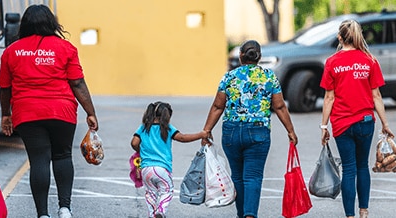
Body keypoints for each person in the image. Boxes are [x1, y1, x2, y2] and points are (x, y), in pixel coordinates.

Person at [0, 5, 98, 218]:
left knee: (39, 160)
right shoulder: (65, 48)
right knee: (62, 156)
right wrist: (90, 112)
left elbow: (5, 88)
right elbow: (78, 83)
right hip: (62, 111)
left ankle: (43, 214)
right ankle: (65, 209)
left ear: (25, 24)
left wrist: (6, 114)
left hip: (27, 113)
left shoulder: (11, 51)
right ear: (51, 23)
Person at [201, 40, 298, 218]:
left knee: (237, 176)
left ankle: (242, 214)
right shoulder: (269, 77)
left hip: (231, 132)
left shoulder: (229, 77)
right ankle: (250, 214)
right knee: (253, 176)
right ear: (259, 57)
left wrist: (206, 130)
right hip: (258, 132)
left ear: (240, 56)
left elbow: (217, 106)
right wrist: (290, 131)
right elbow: (279, 107)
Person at [320, 19, 394, 218]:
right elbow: (376, 95)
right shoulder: (369, 60)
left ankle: (349, 215)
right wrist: (385, 124)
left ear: (340, 37)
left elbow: (329, 97)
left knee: (349, 169)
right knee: (362, 166)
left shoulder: (332, 62)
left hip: (342, 124)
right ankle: (364, 212)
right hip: (366, 122)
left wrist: (324, 125)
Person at [130, 101, 208, 218]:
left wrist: (141, 151)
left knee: (150, 194)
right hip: (162, 169)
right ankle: (161, 211)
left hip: (146, 169)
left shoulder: (143, 128)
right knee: (167, 190)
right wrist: (201, 135)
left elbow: (134, 142)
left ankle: (152, 215)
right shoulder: (167, 128)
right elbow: (182, 138)